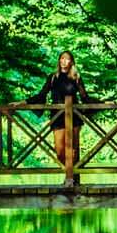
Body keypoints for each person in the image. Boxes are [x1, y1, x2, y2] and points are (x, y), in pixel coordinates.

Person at [24, 50, 92, 186]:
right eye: (62, 58)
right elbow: (41, 95)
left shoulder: (76, 77)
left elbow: (84, 97)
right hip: (57, 117)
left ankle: (71, 179)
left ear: (71, 62)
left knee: (73, 150)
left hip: (74, 116)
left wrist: (103, 103)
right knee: (60, 151)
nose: (64, 61)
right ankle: (70, 175)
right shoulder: (53, 77)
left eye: (67, 59)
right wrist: (23, 102)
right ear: (59, 60)